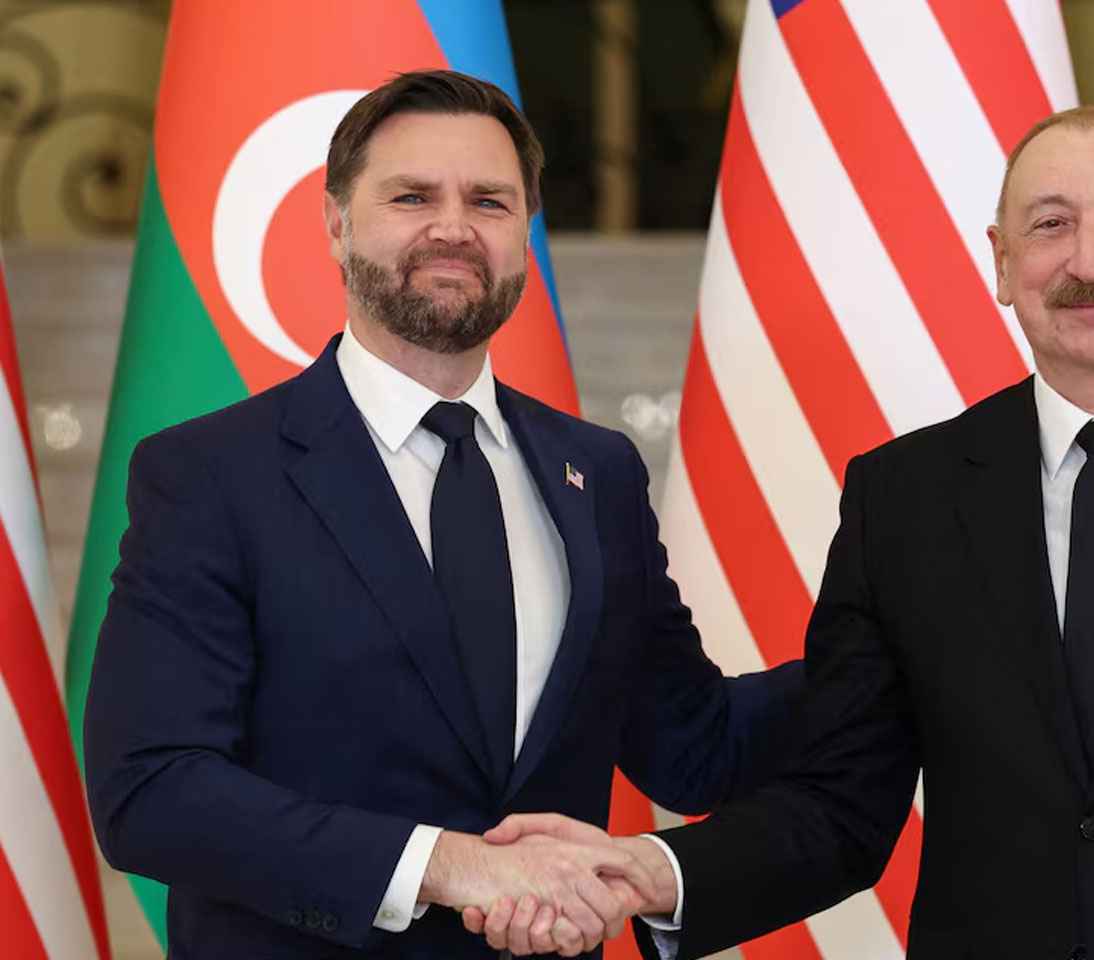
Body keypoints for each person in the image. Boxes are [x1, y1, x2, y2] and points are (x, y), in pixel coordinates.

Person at [476, 106, 1094, 959]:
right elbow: (839, 804)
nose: (1089, 260)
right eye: (1049, 225)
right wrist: (653, 870)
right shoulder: (903, 497)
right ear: (1002, 264)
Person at [83, 69, 800, 960]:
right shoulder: (211, 474)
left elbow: (694, 748)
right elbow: (151, 791)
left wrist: (894, 634)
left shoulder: (600, 472)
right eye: (412, 196)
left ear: (525, 236)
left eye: (489, 201)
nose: (454, 227)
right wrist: (449, 866)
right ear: (337, 224)